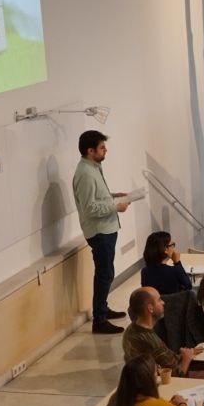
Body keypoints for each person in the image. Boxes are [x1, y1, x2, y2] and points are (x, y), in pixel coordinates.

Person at [122, 287, 204, 381]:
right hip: (170, 378)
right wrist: (186, 359)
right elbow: (175, 375)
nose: (163, 302)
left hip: (175, 364)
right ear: (150, 308)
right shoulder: (148, 339)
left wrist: (187, 354)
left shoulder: (132, 331)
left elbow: (167, 360)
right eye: (159, 300)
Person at [72, 130, 129, 335]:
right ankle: (100, 320)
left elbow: (97, 197)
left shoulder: (93, 167)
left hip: (107, 229)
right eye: (102, 147)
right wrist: (116, 207)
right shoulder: (86, 174)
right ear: (90, 150)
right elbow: (90, 209)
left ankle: (103, 309)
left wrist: (114, 196)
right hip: (99, 232)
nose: (106, 150)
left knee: (107, 273)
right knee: (104, 275)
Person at [139, 231, 192, 295]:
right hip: (175, 304)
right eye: (172, 245)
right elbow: (189, 286)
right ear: (165, 249)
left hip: (155, 304)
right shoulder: (174, 271)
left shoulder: (144, 272)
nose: (173, 248)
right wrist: (177, 263)